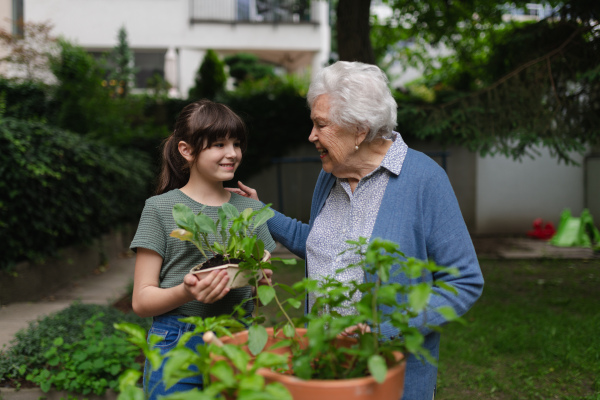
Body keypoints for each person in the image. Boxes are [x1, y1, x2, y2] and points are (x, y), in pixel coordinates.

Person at [228, 61, 484, 400]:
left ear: (360, 130)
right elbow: (323, 245)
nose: (311, 136)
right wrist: (260, 213)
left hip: (387, 374)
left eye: (321, 124)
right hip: (325, 365)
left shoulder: (424, 180)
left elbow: (464, 281)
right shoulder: (331, 174)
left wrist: (385, 328)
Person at [130, 99, 276, 400]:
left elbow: (261, 289)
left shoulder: (250, 209)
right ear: (187, 150)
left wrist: (262, 282)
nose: (232, 153)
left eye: (237, 143)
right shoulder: (160, 208)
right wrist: (187, 291)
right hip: (176, 340)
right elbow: (142, 301)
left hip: (239, 337)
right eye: (219, 144)